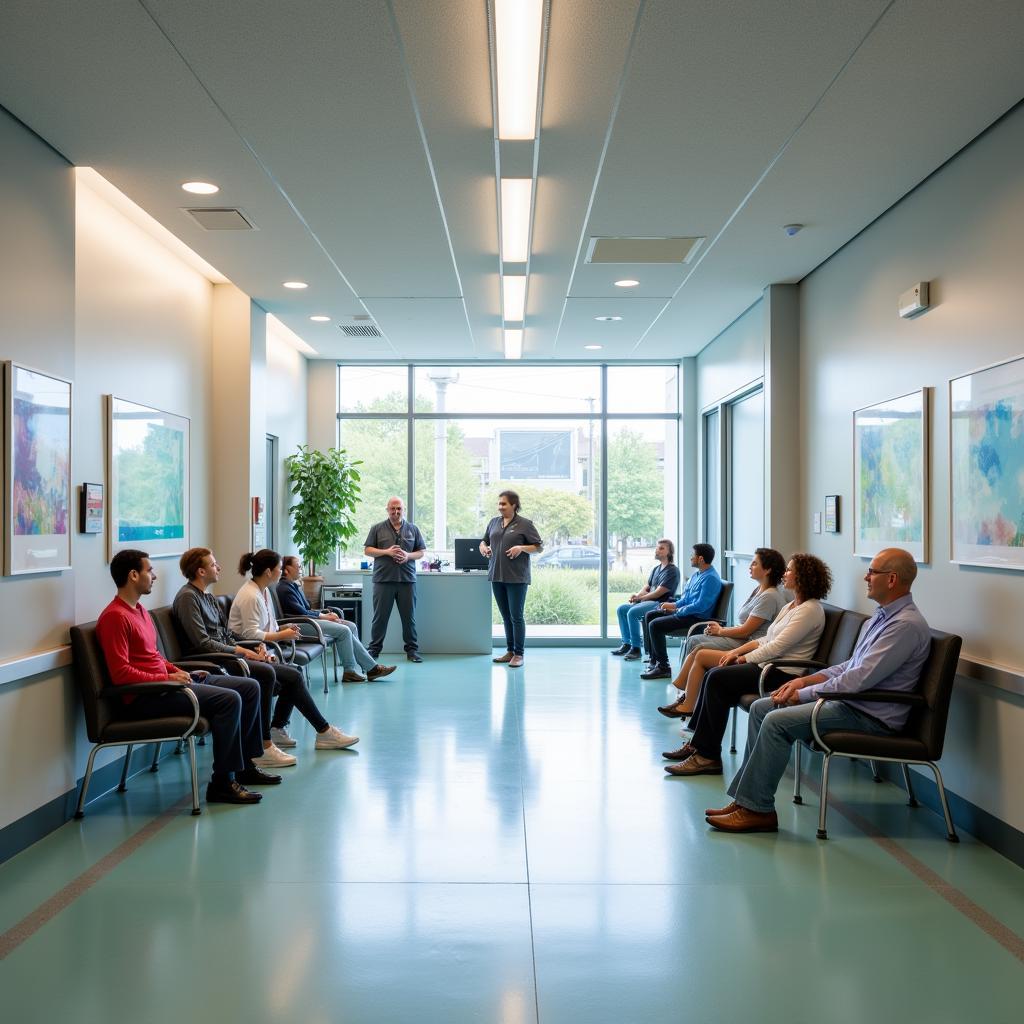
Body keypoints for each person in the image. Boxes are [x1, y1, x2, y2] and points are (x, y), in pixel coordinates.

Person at [706, 548, 930, 834]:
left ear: (892, 579)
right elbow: (850, 665)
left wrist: (802, 694)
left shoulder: (904, 626)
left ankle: (758, 810)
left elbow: (858, 680)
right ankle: (746, 801)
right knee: (763, 707)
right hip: (852, 703)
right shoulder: (880, 617)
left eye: (872, 572)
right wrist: (805, 682)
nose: (866, 576)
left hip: (869, 714)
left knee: (775, 721)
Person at [96, 549, 269, 806]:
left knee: (250, 687)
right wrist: (166, 679)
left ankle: (244, 766)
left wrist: (174, 670)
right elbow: (121, 675)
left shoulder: (140, 611)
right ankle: (222, 783)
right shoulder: (114, 617)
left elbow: (152, 656)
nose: (154, 576)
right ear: (133, 575)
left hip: (167, 684)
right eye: (149, 571)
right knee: (229, 700)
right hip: (147, 697)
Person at [663, 552, 831, 775]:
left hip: (782, 673)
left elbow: (776, 647)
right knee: (716, 677)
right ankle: (701, 749)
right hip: (768, 666)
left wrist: (742, 658)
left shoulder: (810, 610)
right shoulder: (791, 606)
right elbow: (765, 639)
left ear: (803, 577)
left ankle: (706, 755)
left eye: (790, 570)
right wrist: (737, 652)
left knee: (716, 677)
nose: (786, 573)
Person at [229, 549, 359, 751]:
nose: (281, 572)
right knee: (293, 676)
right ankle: (322, 731)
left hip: (265, 650)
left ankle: (281, 728)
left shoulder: (263, 591)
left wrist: (283, 629)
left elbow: (266, 625)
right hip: (250, 654)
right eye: (279, 568)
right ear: (269, 571)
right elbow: (249, 634)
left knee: (294, 674)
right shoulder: (250, 596)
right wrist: (282, 636)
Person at [658, 547, 787, 717]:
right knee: (698, 647)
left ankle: (686, 699)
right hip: (746, 640)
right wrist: (721, 630)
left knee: (699, 647)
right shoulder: (759, 590)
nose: (750, 566)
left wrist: (721, 631)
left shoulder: (769, 597)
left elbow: (746, 631)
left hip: (749, 645)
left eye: (755, 563)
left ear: (768, 569)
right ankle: (685, 696)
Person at [277, 555, 396, 682]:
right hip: (299, 625)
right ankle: (350, 671)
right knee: (344, 631)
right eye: (298, 565)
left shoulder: (293, 586)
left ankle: (370, 668)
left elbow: (306, 608)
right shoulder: (284, 588)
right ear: (287, 569)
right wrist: (324, 616)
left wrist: (324, 615)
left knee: (351, 626)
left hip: (306, 620)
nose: (301, 568)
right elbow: (300, 612)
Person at [639, 543, 723, 680]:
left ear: (700, 559)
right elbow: (686, 599)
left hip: (697, 619)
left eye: (692, 556)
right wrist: (672, 605)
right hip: (687, 613)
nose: (690, 558)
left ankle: (663, 667)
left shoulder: (711, 579)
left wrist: (677, 610)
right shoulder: (696, 575)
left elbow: (701, 606)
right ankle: (654, 660)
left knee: (655, 625)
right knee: (650, 615)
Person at [480, 490, 544, 668]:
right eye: (499, 503)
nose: (500, 507)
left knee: (516, 616)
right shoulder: (494, 522)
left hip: (516, 578)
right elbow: (483, 541)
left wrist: (521, 548)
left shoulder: (525, 524)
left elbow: (539, 548)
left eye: (504, 504)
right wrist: (483, 548)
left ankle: (519, 654)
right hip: (496, 575)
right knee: (506, 616)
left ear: (514, 505)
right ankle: (510, 651)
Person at [364, 497, 426, 662]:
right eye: (393, 509)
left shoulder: (413, 529)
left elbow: (421, 552)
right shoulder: (376, 528)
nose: (396, 512)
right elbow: (368, 550)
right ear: (387, 509)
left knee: (409, 618)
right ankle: (374, 651)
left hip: (407, 580)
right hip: (383, 580)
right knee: (379, 618)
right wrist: (387, 552)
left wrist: (407, 556)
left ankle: (412, 651)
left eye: (399, 508)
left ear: (403, 509)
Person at [611, 539, 680, 661]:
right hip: (648, 602)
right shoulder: (656, 569)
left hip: (660, 604)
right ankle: (627, 644)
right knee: (622, 609)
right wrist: (637, 595)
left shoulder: (672, 571)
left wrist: (641, 598)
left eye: (661, 548)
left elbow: (658, 592)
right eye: (657, 548)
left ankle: (636, 649)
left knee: (632, 612)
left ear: (669, 552)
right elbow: (647, 587)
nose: (657, 550)